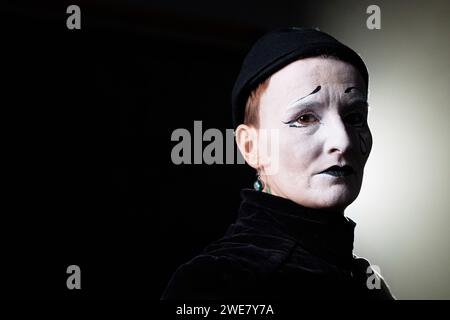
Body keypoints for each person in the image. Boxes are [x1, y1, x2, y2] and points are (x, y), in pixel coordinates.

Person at [161, 27, 394, 300]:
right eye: (305, 118)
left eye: (354, 117)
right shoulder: (218, 282)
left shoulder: (365, 280)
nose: (343, 141)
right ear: (251, 147)